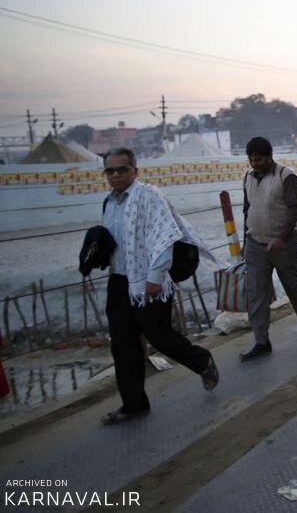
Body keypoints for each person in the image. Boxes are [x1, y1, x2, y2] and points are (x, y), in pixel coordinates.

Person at [99, 147, 219, 425]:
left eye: (122, 169)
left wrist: (154, 277)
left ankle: (202, 361)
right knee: (123, 344)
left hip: (149, 280)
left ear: (134, 171)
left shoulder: (149, 196)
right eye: (110, 170)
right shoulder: (109, 203)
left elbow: (165, 235)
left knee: (160, 337)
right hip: (120, 282)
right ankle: (133, 404)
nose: (115, 175)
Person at [240, 137, 297, 361]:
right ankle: (261, 341)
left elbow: (294, 209)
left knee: (292, 284)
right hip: (255, 243)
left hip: (283, 243)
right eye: (251, 159)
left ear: (269, 157)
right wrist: (244, 240)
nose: (254, 163)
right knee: (256, 291)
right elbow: (247, 209)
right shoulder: (247, 177)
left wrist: (280, 238)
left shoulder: (286, 176)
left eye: (259, 159)